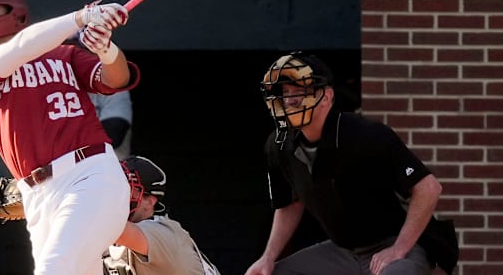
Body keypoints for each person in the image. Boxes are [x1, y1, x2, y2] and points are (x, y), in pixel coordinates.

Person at [0, 0, 139, 275]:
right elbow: (21, 47)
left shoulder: (65, 55)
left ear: (16, 13)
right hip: (36, 197)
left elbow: (116, 78)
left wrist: (106, 48)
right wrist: (81, 17)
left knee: (54, 269)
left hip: (89, 174)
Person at [245, 51, 454, 275]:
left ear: (326, 97)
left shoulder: (366, 135)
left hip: (394, 243)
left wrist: (398, 249)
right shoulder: (279, 145)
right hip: (342, 251)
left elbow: (429, 188)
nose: (290, 99)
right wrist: (267, 257)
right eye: (285, 92)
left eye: (299, 91)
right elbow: (289, 204)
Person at [104, 155, 221, 275]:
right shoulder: (110, 239)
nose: (118, 195)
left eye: (127, 190)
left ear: (150, 201)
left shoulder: (162, 232)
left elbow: (110, 228)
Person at [89, 88, 133, 160]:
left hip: (111, 165)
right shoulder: (65, 92)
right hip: (69, 168)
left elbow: (114, 131)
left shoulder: (111, 82)